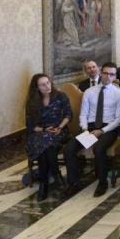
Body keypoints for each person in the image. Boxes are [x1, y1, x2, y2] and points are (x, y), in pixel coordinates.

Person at [64, 62, 120, 197]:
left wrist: (102, 131)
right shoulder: (89, 92)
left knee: (99, 148)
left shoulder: (119, 94)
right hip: (90, 128)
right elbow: (83, 114)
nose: (108, 76)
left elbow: (118, 119)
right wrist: (85, 129)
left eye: (112, 74)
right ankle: (73, 183)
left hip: (109, 129)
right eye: (105, 73)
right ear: (100, 72)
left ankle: (102, 182)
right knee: (69, 148)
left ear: (115, 76)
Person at [25, 73, 71, 201]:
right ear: (36, 88)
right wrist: (45, 129)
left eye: (48, 83)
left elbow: (68, 115)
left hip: (59, 130)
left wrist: (60, 127)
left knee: (45, 143)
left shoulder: (61, 96)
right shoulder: (32, 103)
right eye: (42, 85)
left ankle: (44, 183)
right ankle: (56, 175)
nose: (47, 86)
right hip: (40, 132)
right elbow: (30, 126)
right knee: (45, 143)